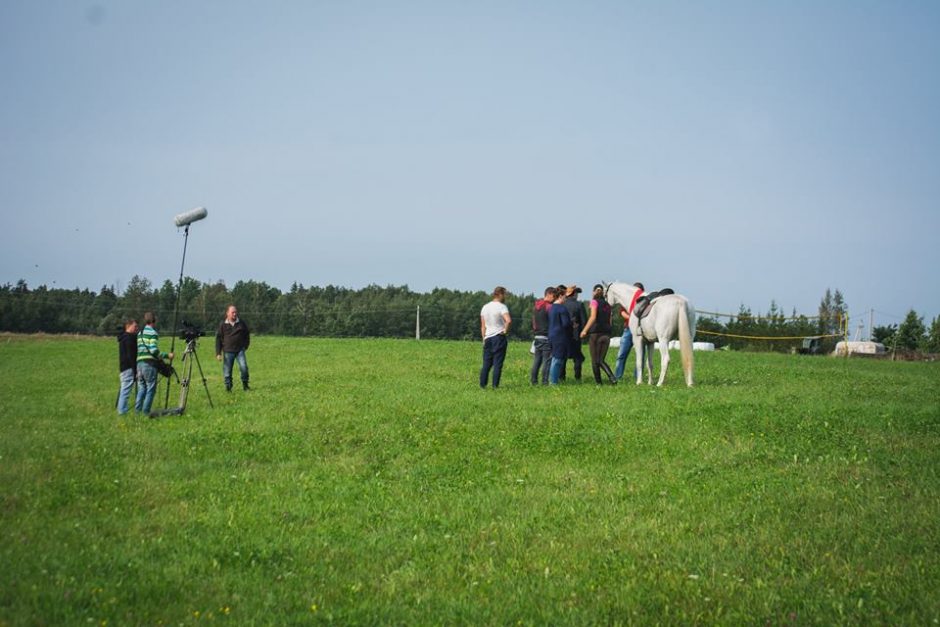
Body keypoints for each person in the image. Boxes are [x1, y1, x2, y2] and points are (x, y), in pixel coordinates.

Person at [135, 311, 173, 414]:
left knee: (142, 388)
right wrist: (167, 355)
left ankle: (137, 411)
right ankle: (146, 412)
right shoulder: (153, 333)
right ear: (154, 320)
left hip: (139, 364)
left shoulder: (140, 333)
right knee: (151, 388)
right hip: (149, 364)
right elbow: (153, 350)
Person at [580, 284, 617, 384]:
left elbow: (593, 317)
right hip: (606, 334)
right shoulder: (608, 305)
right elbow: (610, 321)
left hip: (595, 334)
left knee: (594, 360)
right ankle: (612, 378)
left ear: (593, 292)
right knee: (601, 359)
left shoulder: (594, 302)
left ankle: (599, 383)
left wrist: (584, 330)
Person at [479, 286, 512, 389]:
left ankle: (483, 385)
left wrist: (483, 338)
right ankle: (495, 386)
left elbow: (483, 326)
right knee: (497, 363)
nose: (505, 297)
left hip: (488, 337)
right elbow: (508, 320)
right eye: (505, 294)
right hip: (498, 337)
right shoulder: (502, 307)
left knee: (486, 364)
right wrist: (505, 331)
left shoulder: (485, 307)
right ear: (500, 294)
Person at [216, 304, 251, 392]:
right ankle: (228, 388)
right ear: (227, 313)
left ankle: (245, 385)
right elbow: (218, 339)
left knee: (244, 368)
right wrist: (218, 353)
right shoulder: (223, 325)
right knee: (227, 371)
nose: (235, 314)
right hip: (228, 351)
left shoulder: (241, 323)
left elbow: (247, 334)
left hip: (240, 351)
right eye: (233, 312)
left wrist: (245, 346)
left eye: (236, 312)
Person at [614, 282, 645, 381]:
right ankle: (618, 376)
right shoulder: (627, 300)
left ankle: (638, 377)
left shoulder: (644, 301)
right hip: (628, 329)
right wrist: (633, 319)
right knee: (621, 354)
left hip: (640, 330)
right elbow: (622, 312)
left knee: (640, 355)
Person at [530, 286, 555, 385]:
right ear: (548, 294)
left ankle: (534, 381)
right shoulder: (549, 306)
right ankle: (544, 382)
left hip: (537, 336)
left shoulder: (536, 306)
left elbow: (533, 321)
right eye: (553, 296)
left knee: (537, 361)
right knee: (546, 361)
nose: (554, 298)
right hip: (546, 336)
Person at [548, 287, 572, 385]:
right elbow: (566, 323)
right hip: (560, 336)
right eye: (565, 297)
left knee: (554, 357)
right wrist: (572, 324)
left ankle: (552, 380)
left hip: (551, 334)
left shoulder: (551, 307)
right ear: (561, 296)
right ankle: (553, 382)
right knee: (557, 359)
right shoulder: (562, 308)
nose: (566, 299)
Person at [563, 284, 586, 381]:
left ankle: (561, 377)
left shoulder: (562, 304)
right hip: (576, 334)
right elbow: (584, 320)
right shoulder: (579, 305)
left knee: (563, 356)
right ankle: (577, 376)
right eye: (576, 292)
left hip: (564, 334)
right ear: (573, 293)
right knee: (577, 357)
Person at [116, 317, 139, 414]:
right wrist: (135, 370)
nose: (137, 328)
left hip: (123, 367)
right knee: (125, 390)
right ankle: (122, 411)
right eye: (135, 326)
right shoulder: (129, 339)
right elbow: (131, 356)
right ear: (128, 326)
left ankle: (120, 408)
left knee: (124, 389)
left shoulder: (123, 338)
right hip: (128, 367)